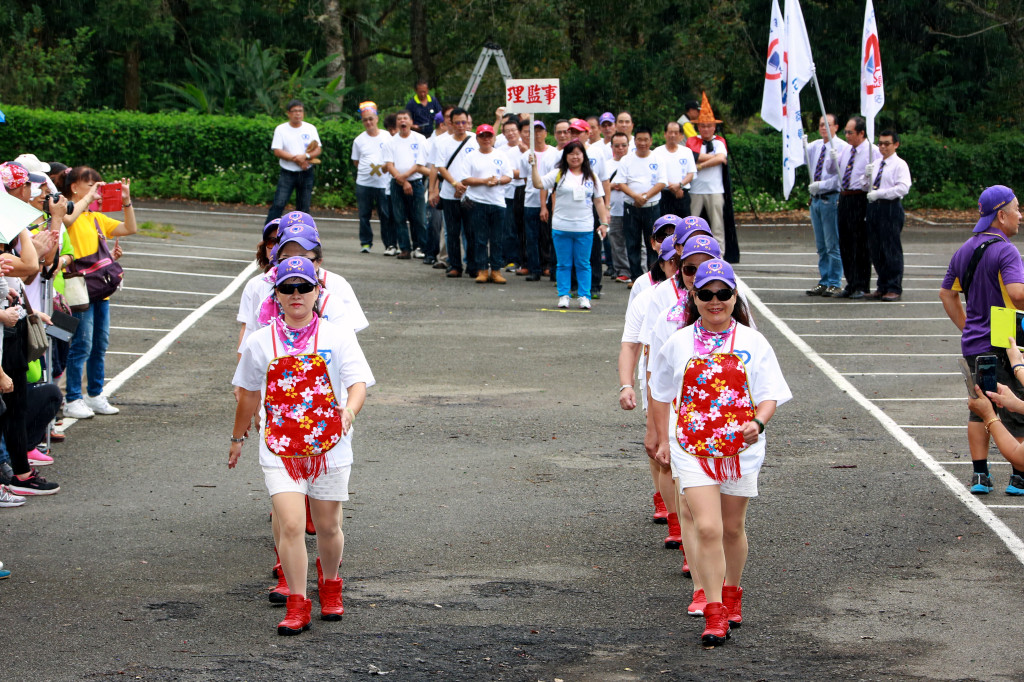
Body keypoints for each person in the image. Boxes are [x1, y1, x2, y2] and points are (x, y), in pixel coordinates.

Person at [649, 259, 791, 646]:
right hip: (691, 449)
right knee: (707, 527)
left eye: (723, 294)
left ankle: (732, 594)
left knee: (731, 528)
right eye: (706, 294)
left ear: (734, 297)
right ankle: (714, 613)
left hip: (740, 451)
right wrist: (662, 438)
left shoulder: (753, 341)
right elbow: (660, 393)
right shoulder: (677, 343)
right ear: (693, 297)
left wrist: (758, 423)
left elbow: (770, 394)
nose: (715, 301)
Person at [231, 256, 374, 636]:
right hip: (279, 446)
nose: (296, 295)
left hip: (330, 445)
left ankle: (330, 585)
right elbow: (246, 394)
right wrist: (237, 437)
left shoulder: (338, 336)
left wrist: (350, 413)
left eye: (304, 287)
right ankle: (297, 603)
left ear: (317, 292)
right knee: (292, 524)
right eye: (287, 288)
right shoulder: (260, 341)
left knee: (327, 527)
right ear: (275, 293)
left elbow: (358, 382)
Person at [940, 185, 1024, 495]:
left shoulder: (965, 248)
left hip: (974, 342)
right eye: (1016, 209)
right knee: (1014, 405)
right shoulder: (1006, 250)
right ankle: (1019, 477)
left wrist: (967, 327)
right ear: (1001, 216)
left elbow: (947, 294)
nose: (1020, 215)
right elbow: (1016, 294)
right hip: (1004, 340)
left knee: (980, 407)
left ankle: (980, 475)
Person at [60, 167, 137, 420]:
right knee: (81, 345)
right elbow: (67, 220)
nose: (96, 188)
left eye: (98, 184)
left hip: (99, 289)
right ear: (74, 187)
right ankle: (72, 398)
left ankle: (94, 394)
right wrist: (88, 199)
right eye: (89, 184)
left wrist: (125, 200)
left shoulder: (95, 217)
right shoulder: (66, 210)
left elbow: (129, 228)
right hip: (78, 289)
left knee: (99, 345)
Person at [530, 140, 609, 310]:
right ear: (565, 156)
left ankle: (584, 296)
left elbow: (598, 201)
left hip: (585, 228)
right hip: (561, 227)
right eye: (571, 153)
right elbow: (538, 184)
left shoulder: (591, 176)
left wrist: (603, 223)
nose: (575, 157)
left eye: (578, 154)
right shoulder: (559, 174)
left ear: (583, 156)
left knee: (583, 264)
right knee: (563, 263)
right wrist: (533, 167)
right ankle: (564, 295)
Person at [827, 115, 878, 299]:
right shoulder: (847, 150)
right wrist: (832, 158)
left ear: (861, 133)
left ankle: (862, 284)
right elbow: (832, 171)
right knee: (846, 242)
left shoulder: (873, 151)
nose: (847, 135)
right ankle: (850, 282)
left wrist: (870, 176)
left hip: (860, 197)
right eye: (846, 132)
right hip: (845, 197)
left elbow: (879, 174)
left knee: (860, 243)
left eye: (850, 132)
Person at [460, 124, 512, 284]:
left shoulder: (501, 155)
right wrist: (484, 181)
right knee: (480, 239)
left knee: (496, 239)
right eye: (482, 136)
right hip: (477, 202)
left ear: (494, 138)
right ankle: (482, 269)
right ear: (477, 138)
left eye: (489, 136)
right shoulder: (470, 157)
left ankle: (496, 270)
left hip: (497, 202)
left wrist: (497, 181)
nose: (486, 139)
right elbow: (465, 179)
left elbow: (508, 176)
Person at [864, 130, 912, 302]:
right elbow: (866, 185)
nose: (883, 147)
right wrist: (866, 175)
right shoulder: (876, 163)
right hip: (874, 207)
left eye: (887, 143)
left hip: (890, 207)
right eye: (880, 143)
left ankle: (894, 287)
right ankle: (882, 286)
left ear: (895, 145)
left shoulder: (900, 165)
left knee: (890, 249)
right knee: (876, 249)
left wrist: (881, 193)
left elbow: (903, 188)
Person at [615, 125, 666, 282]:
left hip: (652, 207)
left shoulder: (657, 158)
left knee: (653, 243)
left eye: (646, 139)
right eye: (639, 139)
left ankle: (654, 277)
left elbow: (662, 182)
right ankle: (636, 277)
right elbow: (621, 182)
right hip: (631, 207)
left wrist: (645, 197)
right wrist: (636, 197)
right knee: (632, 243)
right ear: (634, 141)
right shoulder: (626, 159)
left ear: (651, 141)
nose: (642, 143)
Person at [432, 107, 479, 278]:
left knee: (471, 230)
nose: (461, 126)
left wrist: (466, 185)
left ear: (468, 122)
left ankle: (473, 265)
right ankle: (455, 265)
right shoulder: (442, 142)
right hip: (449, 193)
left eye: (464, 122)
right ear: (450, 123)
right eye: (457, 122)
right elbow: (440, 167)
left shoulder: (475, 139)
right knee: (452, 231)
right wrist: (454, 183)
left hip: (471, 193)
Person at [805, 114, 847, 297]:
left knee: (832, 243)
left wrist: (821, 185)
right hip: (815, 199)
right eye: (822, 125)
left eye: (828, 125)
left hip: (830, 198)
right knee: (821, 244)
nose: (824, 128)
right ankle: (824, 279)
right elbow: (805, 161)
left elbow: (840, 177)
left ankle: (834, 281)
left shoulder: (842, 147)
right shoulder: (815, 146)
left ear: (836, 127)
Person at [266, 100, 321, 223]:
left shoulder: (310, 128)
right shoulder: (281, 129)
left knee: (303, 208)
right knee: (279, 204)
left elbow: (318, 149)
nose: (298, 114)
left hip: (306, 173)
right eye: (294, 111)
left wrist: (305, 156)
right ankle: (268, 235)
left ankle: (301, 234)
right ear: (288, 113)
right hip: (287, 173)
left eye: (300, 111)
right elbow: (277, 151)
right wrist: (297, 160)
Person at [384, 111, 430, 260]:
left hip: (416, 182)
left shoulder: (420, 139)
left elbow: (420, 164)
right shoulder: (391, 142)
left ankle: (421, 246)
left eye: (405, 118)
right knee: (399, 217)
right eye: (399, 119)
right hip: (396, 183)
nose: (402, 121)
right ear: (396, 123)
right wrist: (402, 181)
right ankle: (404, 248)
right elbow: (389, 165)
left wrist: (405, 179)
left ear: (411, 122)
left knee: (419, 218)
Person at [351, 102, 393, 255]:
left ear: (377, 118)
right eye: (365, 120)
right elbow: (356, 161)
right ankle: (366, 243)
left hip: (383, 183)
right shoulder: (358, 140)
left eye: (371, 119)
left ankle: (389, 244)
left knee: (385, 214)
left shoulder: (387, 136)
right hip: (364, 183)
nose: (368, 122)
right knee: (364, 214)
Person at [687, 94, 728, 251]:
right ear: (698, 127)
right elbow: (693, 156)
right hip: (695, 189)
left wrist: (701, 165)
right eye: (703, 126)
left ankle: (720, 252)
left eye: (709, 125)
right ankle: (691, 251)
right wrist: (713, 157)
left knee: (717, 224)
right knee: (693, 225)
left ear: (714, 126)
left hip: (715, 189)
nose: (706, 129)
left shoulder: (719, 141)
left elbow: (721, 159)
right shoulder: (692, 141)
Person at [517, 120, 553, 282]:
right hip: (531, 200)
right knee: (531, 236)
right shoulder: (526, 156)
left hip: (551, 200)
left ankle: (549, 266)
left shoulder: (554, 153)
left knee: (549, 236)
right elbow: (526, 178)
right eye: (534, 131)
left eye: (540, 130)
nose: (537, 134)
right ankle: (534, 268)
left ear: (546, 133)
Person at [606, 132, 632, 284]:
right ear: (611, 147)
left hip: (632, 207)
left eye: (624, 145)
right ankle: (622, 270)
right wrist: (613, 185)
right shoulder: (607, 164)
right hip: (614, 209)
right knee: (616, 240)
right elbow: (601, 186)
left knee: (636, 241)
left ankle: (638, 269)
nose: (620, 148)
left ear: (629, 146)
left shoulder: (633, 162)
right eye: (617, 145)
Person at [656, 121, 696, 219]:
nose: (672, 135)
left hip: (682, 194)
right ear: (665, 134)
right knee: (665, 226)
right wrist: (673, 188)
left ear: (681, 136)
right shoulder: (657, 152)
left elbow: (691, 173)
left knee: (684, 225)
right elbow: (656, 174)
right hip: (664, 195)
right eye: (670, 132)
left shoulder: (686, 151)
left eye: (676, 132)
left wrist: (679, 185)